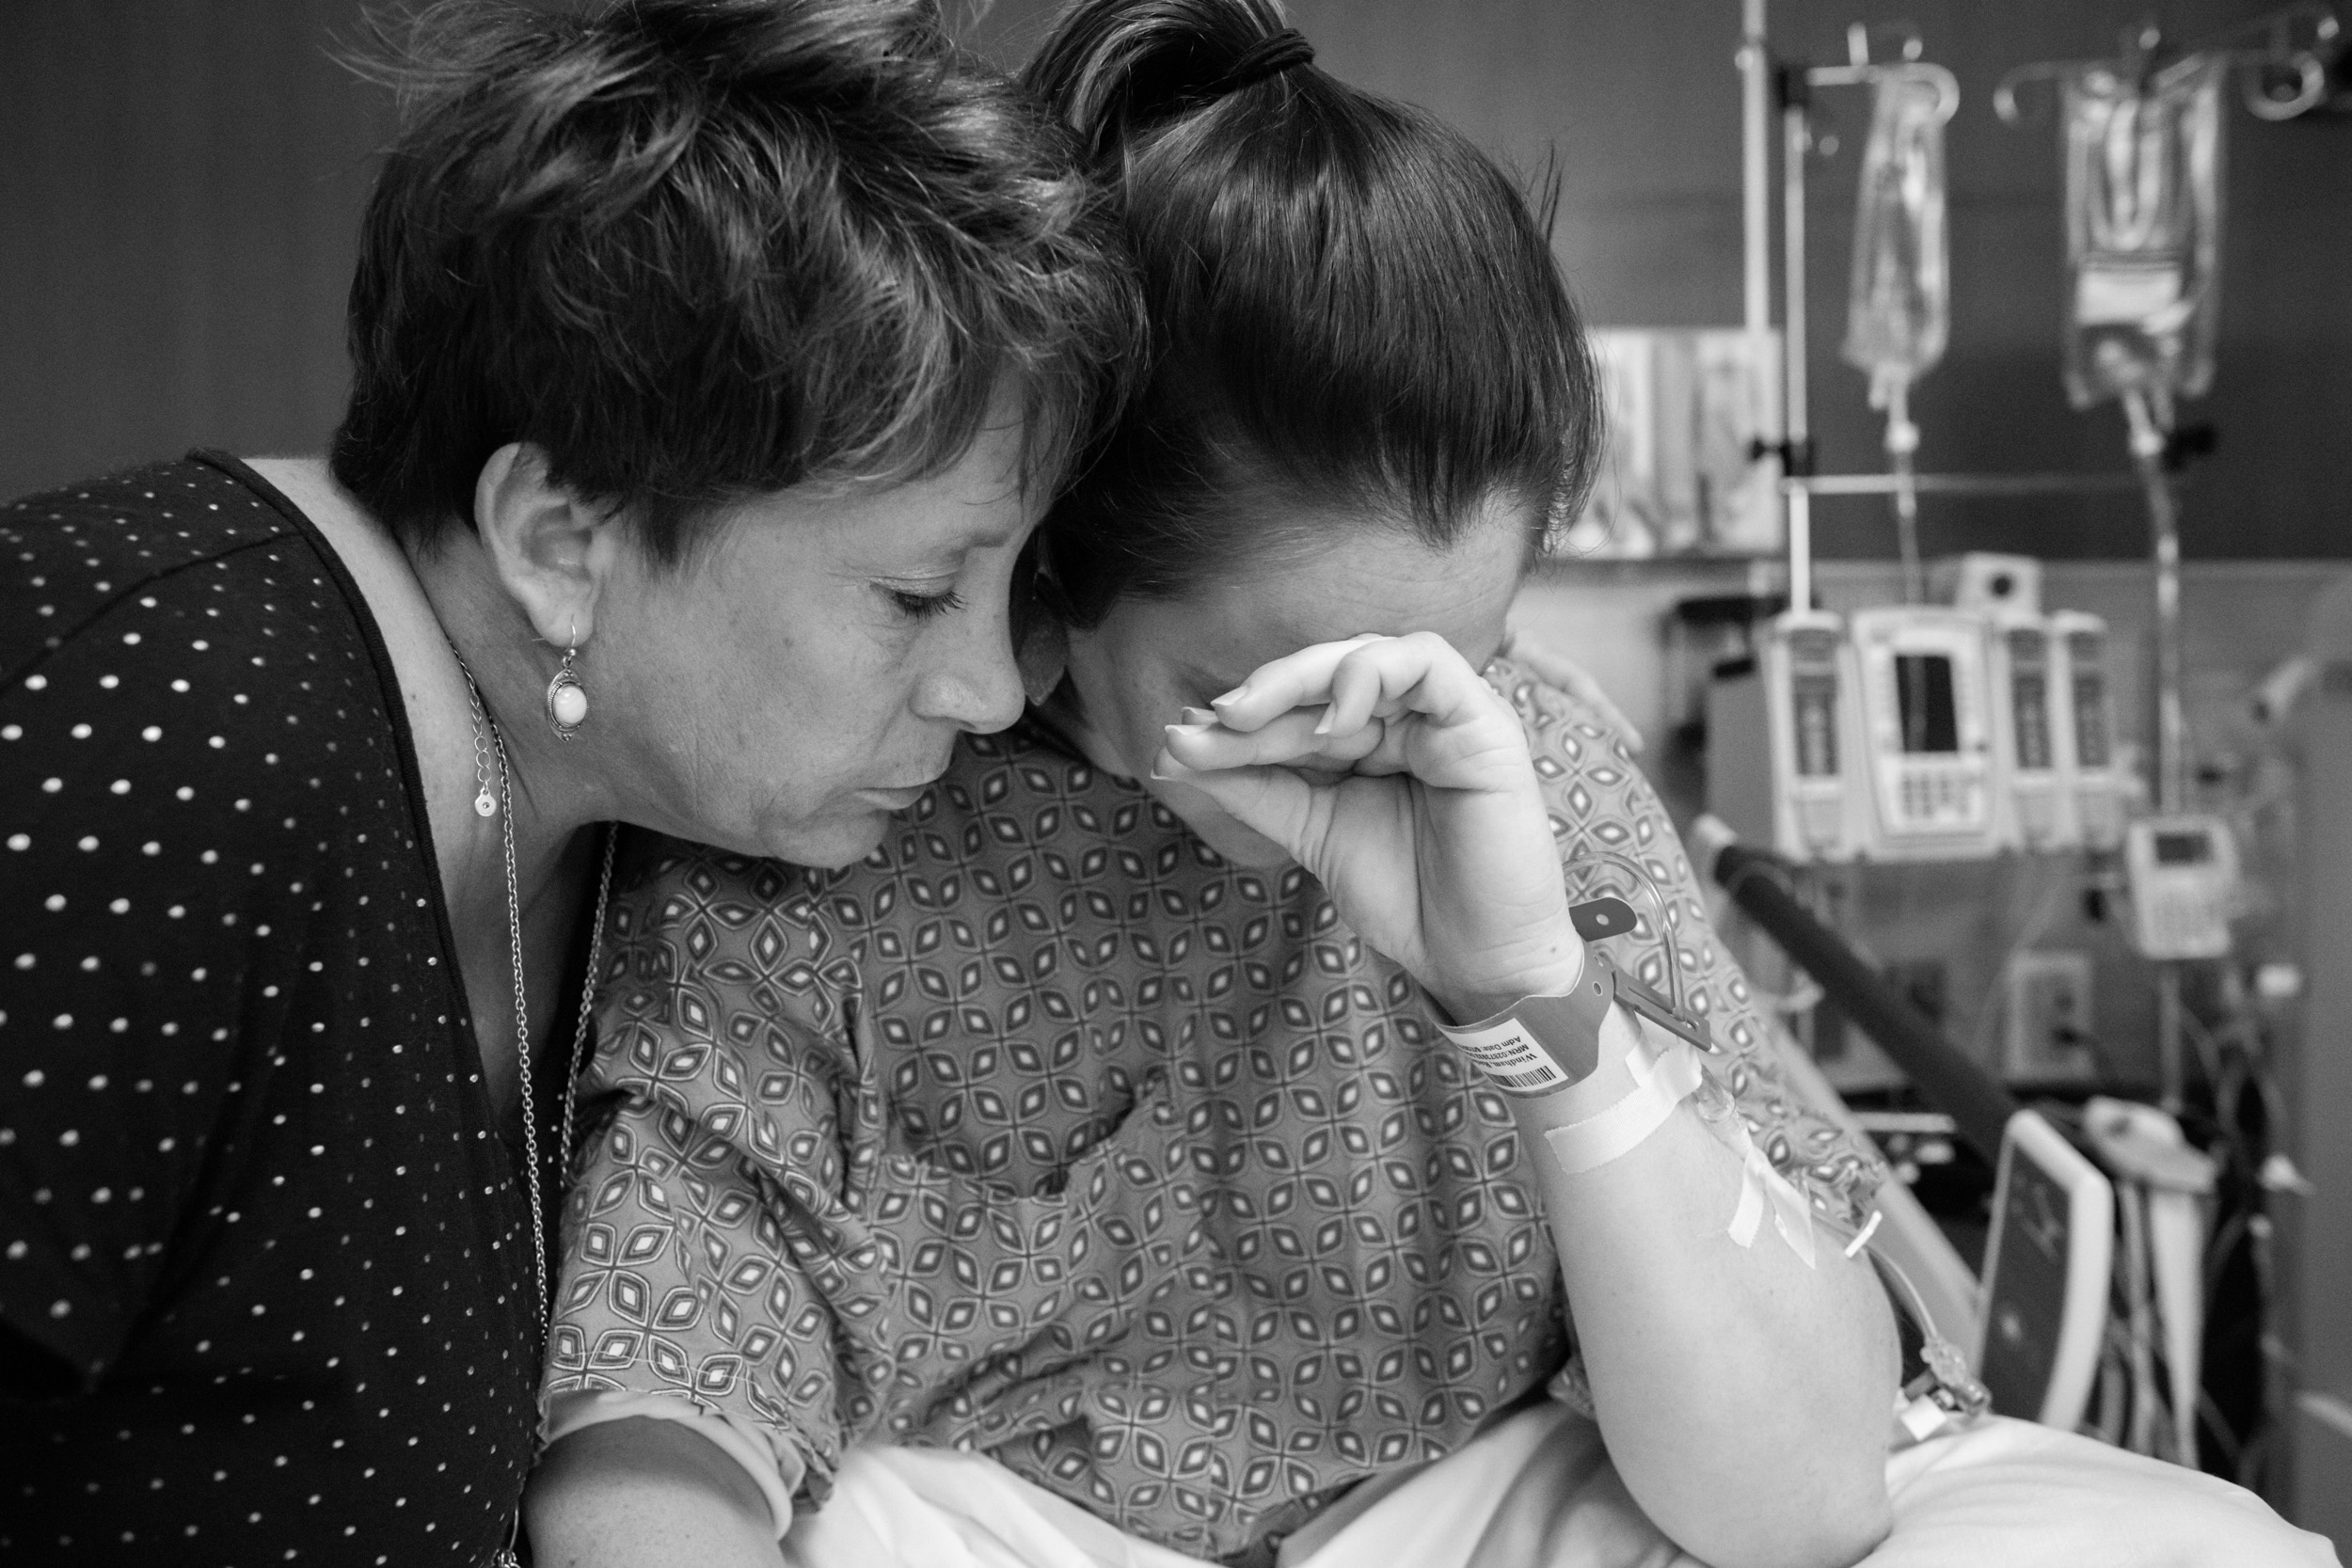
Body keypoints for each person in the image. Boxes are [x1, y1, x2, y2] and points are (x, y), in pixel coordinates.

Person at [526, 3, 1913, 1565]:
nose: (1365, 752)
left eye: (1441, 672)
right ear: (1054, 565)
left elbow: (1811, 1495)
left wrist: (1540, 1006)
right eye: (1268, 697)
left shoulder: (1520, 776)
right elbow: (659, 1397)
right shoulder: (834, 818)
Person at [0, 3, 1136, 1562]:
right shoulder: (137, 738)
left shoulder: (620, 827)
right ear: (561, 541)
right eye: (918, 592)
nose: (992, 688)